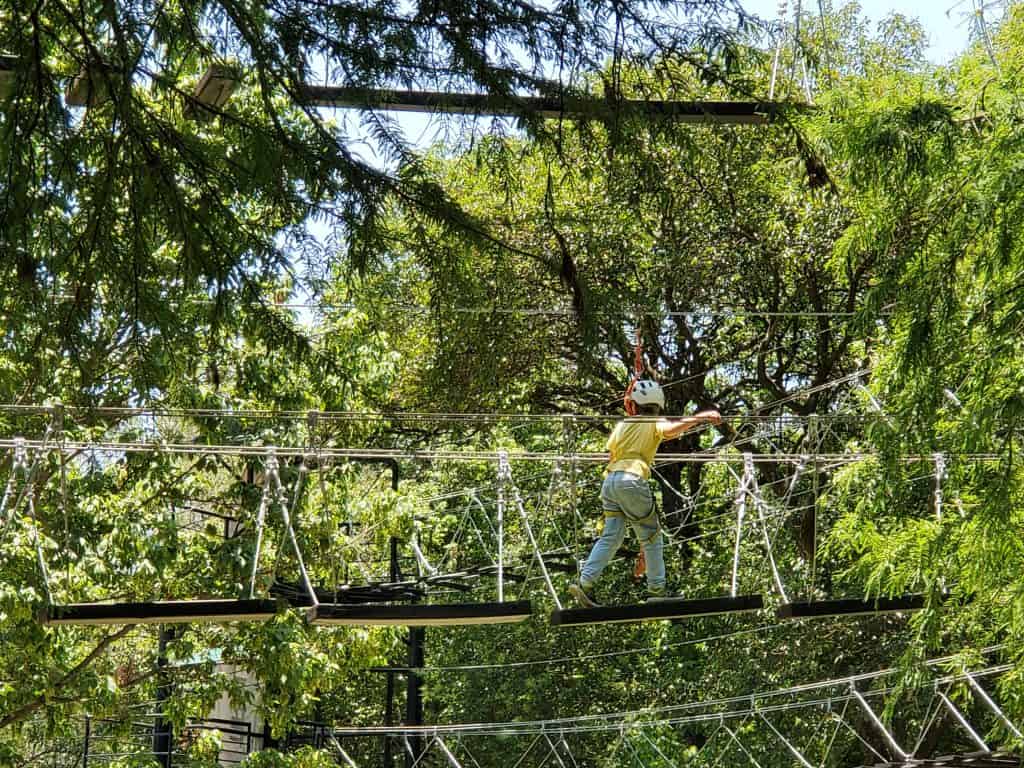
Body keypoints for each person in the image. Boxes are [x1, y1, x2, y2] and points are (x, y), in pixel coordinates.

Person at [569, 380, 722, 606]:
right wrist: (702, 417)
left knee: (612, 536)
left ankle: (586, 583)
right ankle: (657, 590)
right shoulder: (653, 421)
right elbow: (672, 430)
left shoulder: (623, 424)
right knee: (652, 535)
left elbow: (611, 454)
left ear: (634, 404)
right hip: (632, 478)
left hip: (610, 482)